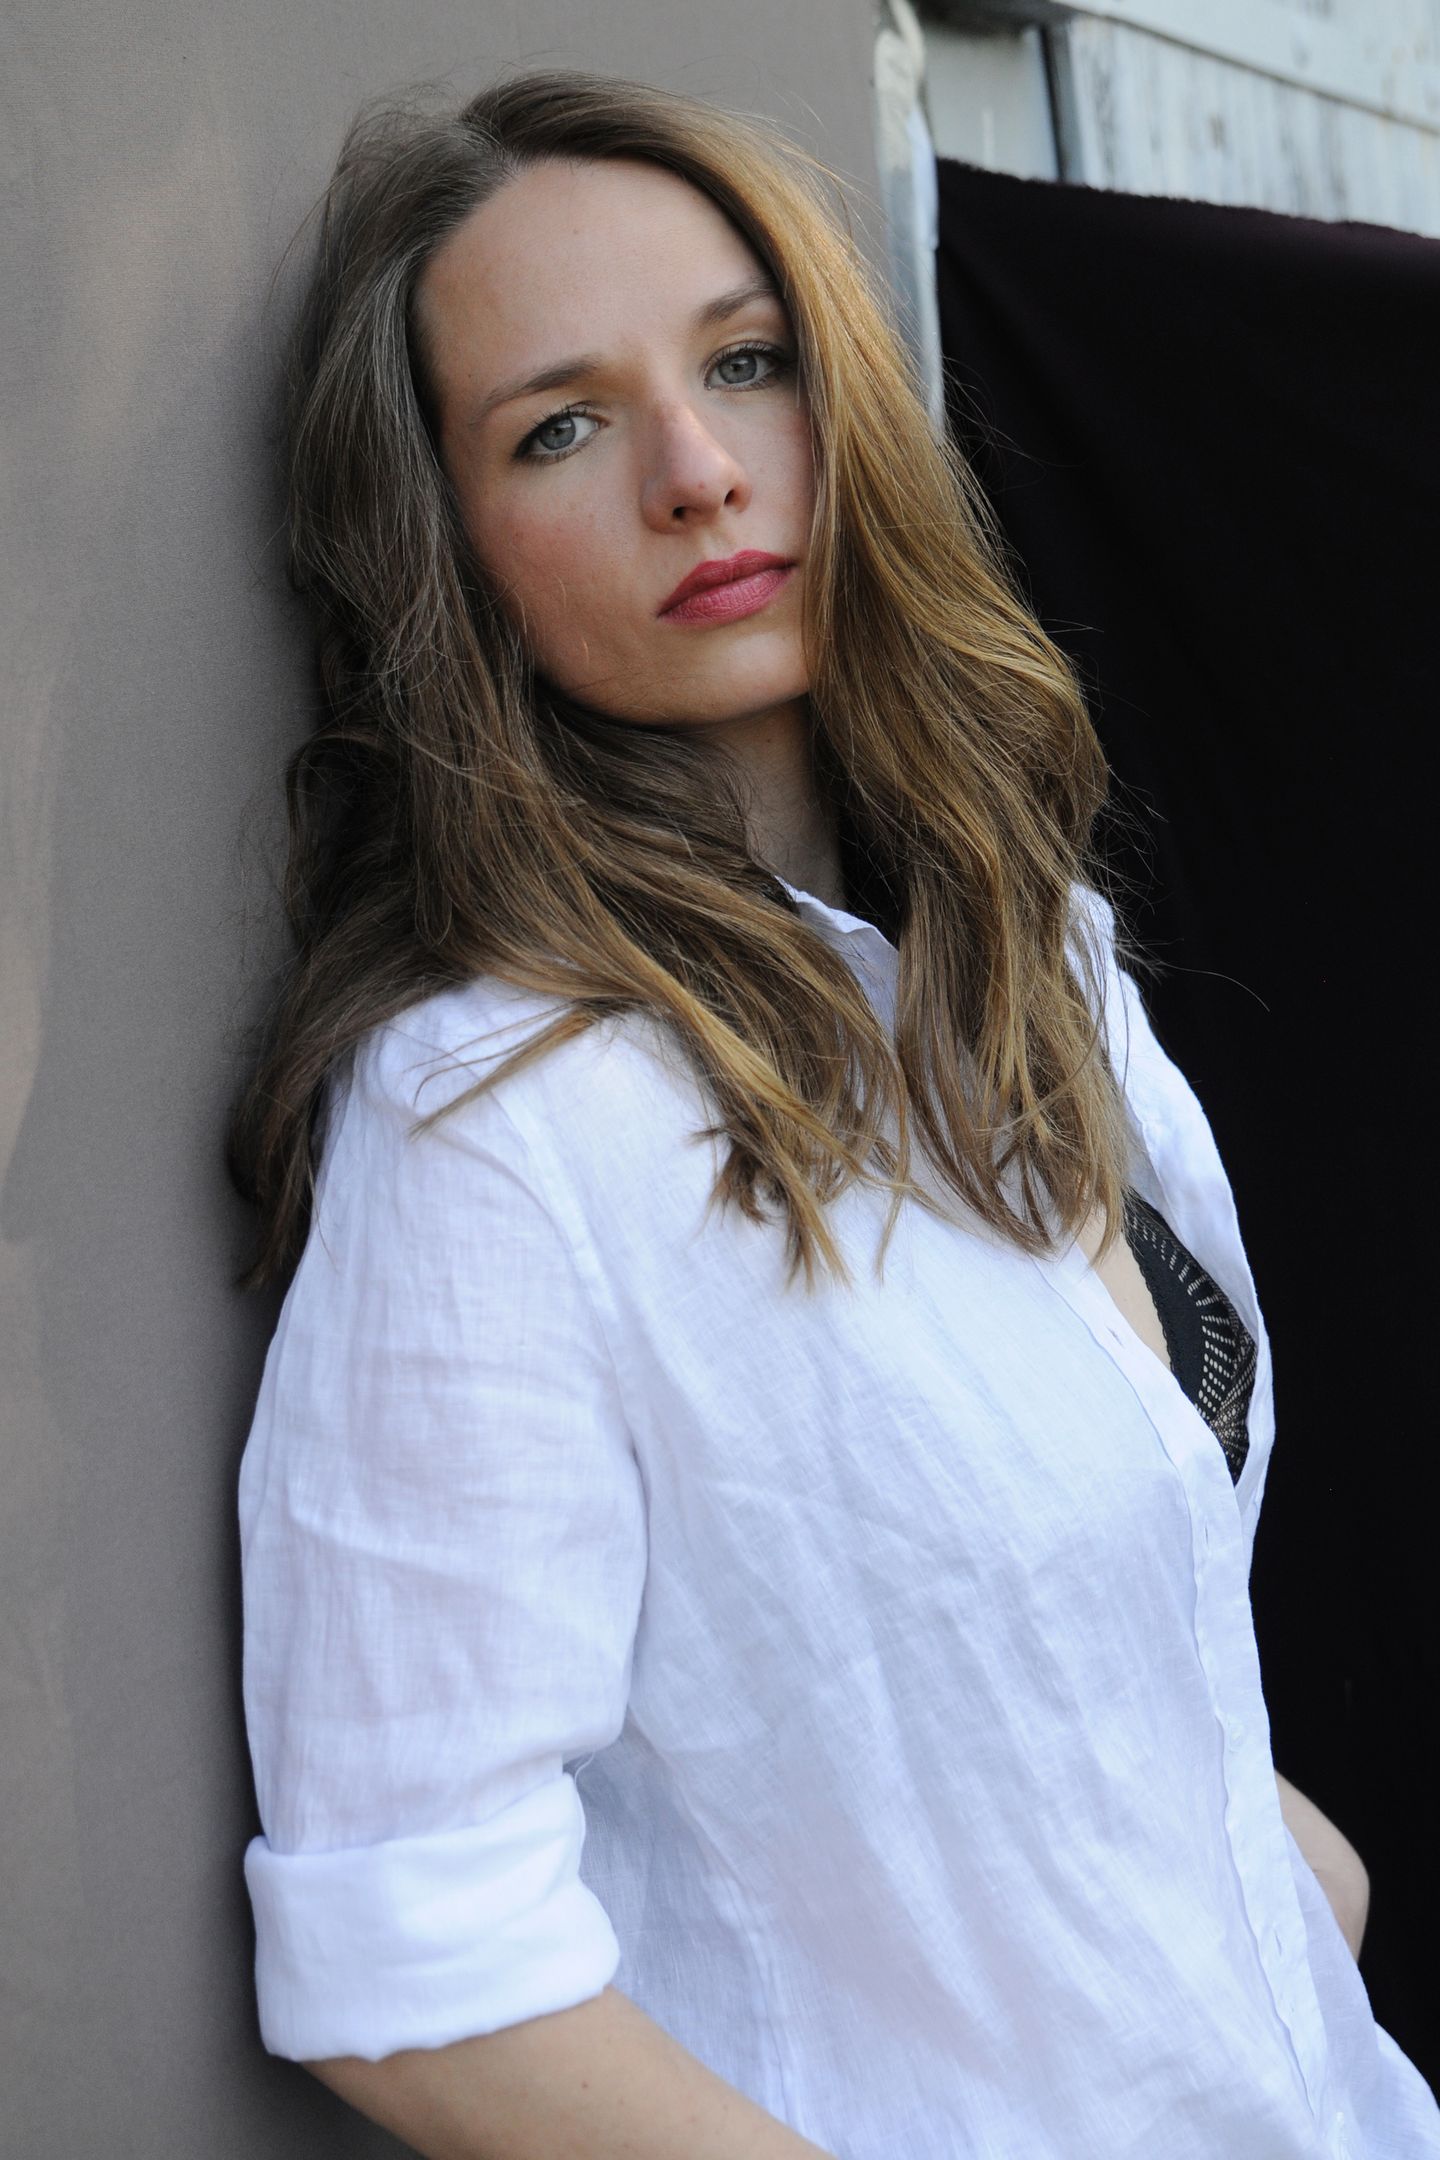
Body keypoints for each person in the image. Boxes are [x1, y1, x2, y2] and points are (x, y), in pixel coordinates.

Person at [228, 69, 1440, 2160]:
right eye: (560, 427)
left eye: (747, 362)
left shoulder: (1038, 967)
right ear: (448, 553)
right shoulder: (501, 1120)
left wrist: (1277, 1880)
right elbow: (421, 1976)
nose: (698, 472)